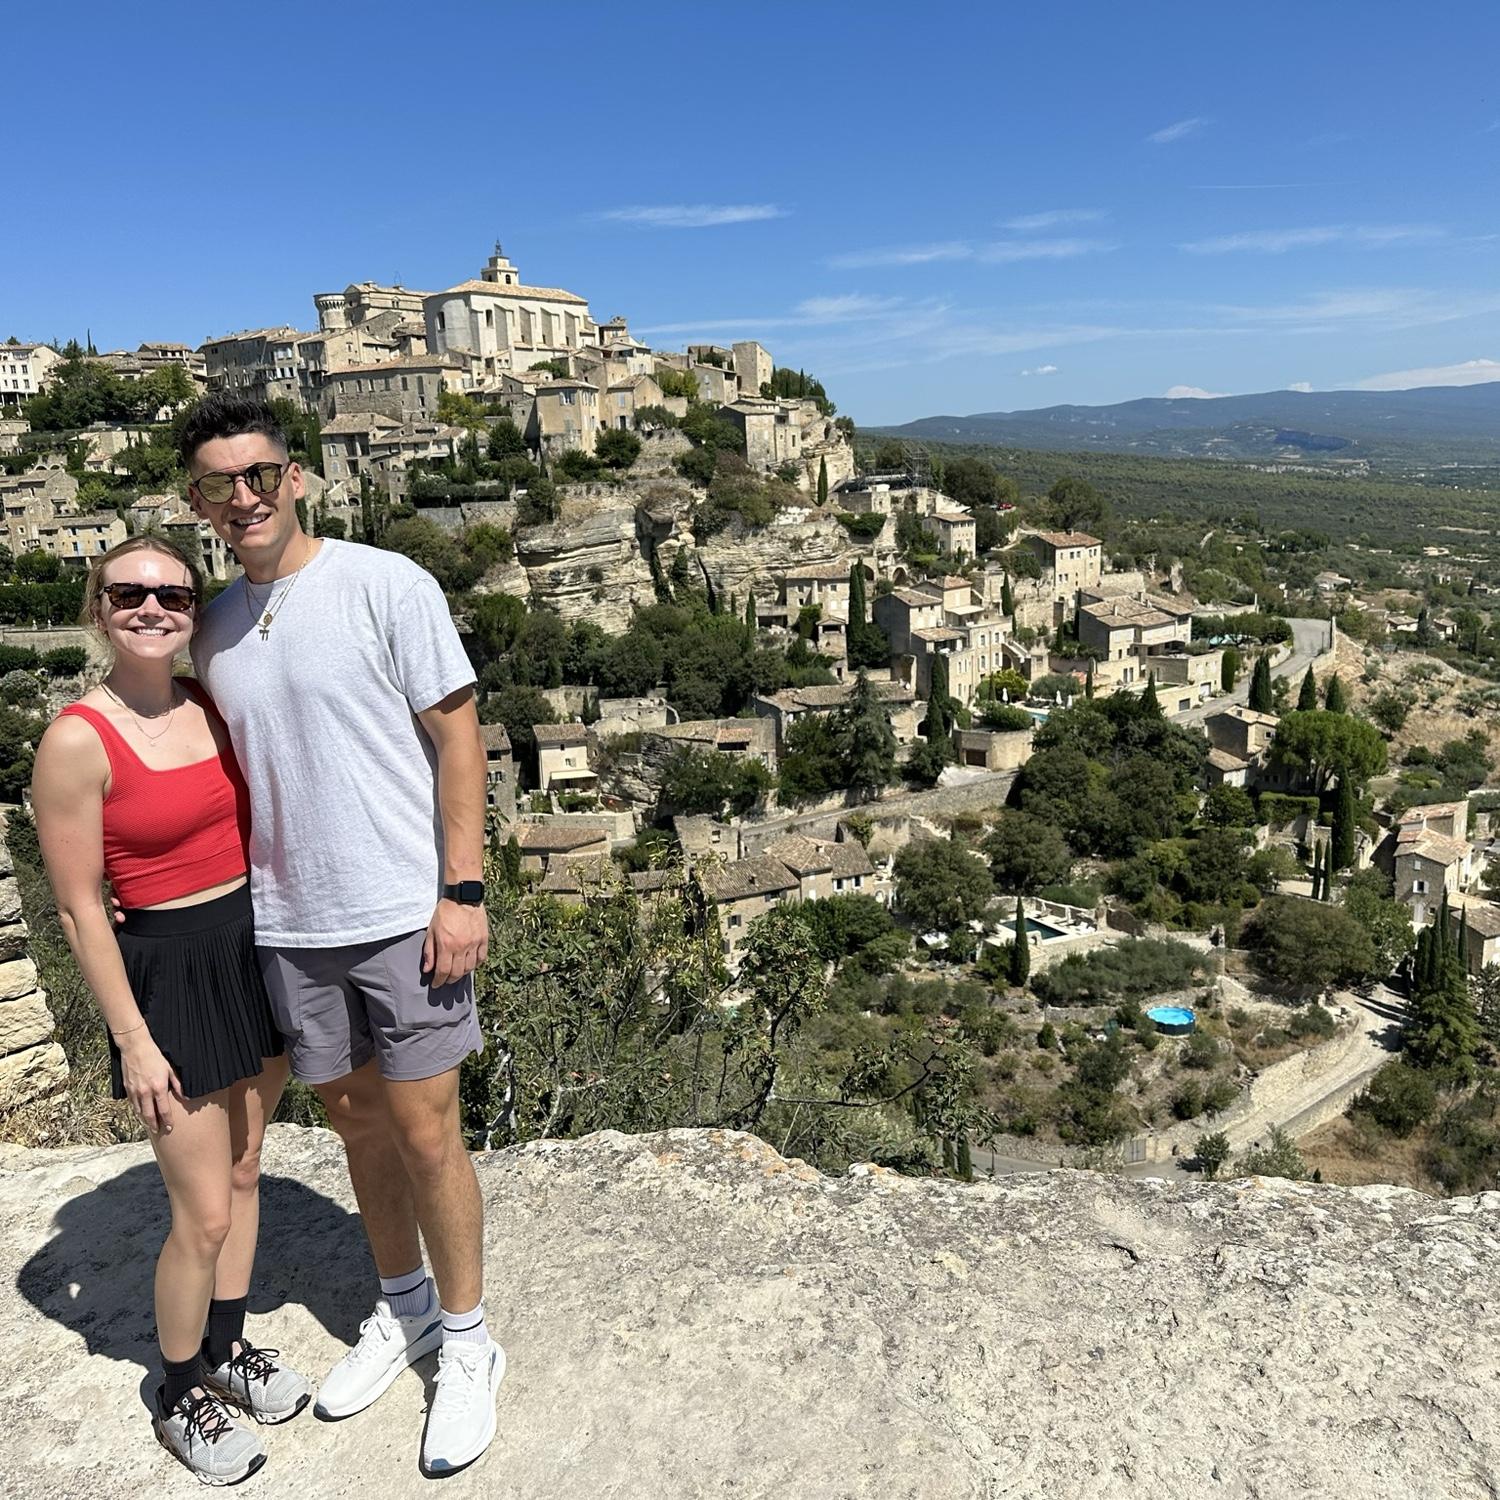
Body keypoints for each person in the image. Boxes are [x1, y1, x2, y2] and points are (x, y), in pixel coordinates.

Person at [181, 394, 501, 1476]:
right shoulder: (214, 624)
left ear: (298, 476)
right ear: (199, 502)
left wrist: (462, 888)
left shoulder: (383, 584)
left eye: (260, 474)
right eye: (220, 484)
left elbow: (460, 739)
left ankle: (467, 1345)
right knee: (361, 1129)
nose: (244, 497)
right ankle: (402, 1305)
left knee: (427, 1132)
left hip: (401, 910)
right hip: (289, 927)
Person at [31, 536, 311, 1485]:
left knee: (242, 1172)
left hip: (247, 949)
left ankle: (228, 1348)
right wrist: (135, 1043)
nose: (152, 609)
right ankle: (179, 1386)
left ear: (194, 609)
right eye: (129, 594)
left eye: (174, 594)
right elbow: (80, 907)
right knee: (198, 1211)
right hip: (167, 972)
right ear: (96, 606)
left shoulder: (208, 705)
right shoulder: (76, 739)